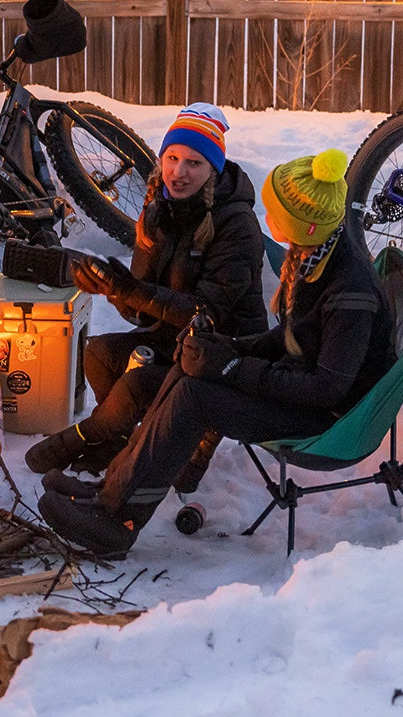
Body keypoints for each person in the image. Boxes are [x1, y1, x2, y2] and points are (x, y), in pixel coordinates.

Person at [38, 149, 397, 558]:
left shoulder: (349, 291)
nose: (268, 216)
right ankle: (110, 492)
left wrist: (232, 367)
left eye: (276, 210)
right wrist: (230, 349)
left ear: (302, 224)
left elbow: (327, 389)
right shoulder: (316, 254)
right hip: (302, 387)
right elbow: (296, 336)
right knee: (192, 359)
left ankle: (118, 524)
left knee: (196, 397)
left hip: (328, 421)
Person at [23, 103, 269, 480]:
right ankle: (115, 440)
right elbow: (140, 308)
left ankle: (107, 438)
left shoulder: (237, 224)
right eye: (172, 158)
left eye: (194, 163)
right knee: (100, 354)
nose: (178, 172)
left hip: (223, 354)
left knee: (136, 387)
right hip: (176, 342)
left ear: (213, 170)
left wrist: (132, 290)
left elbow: (207, 312)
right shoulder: (157, 210)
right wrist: (112, 288)